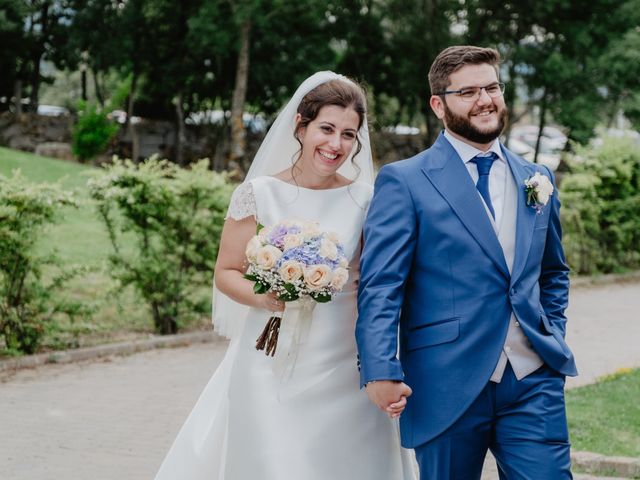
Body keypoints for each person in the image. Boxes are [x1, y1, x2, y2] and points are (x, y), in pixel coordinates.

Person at [155, 71, 416, 480]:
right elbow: (226, 271)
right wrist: (265, 297)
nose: (336, 145)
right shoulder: (258, 193)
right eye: (326, 129)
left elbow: (377, 283)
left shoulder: (366, 199)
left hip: (345, 365)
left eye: (349, 135)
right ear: (301, 125)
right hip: (268, 361)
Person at [356, 46, 578, 479]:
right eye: (469, 91)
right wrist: (380, 368)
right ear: (439, 104)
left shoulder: (537, 178)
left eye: (492, 87)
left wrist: (551, 333)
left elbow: (553, 272)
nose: (485, 99)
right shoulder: (405, 181)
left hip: (533, 379)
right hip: (445, 383)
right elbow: (382, 285)